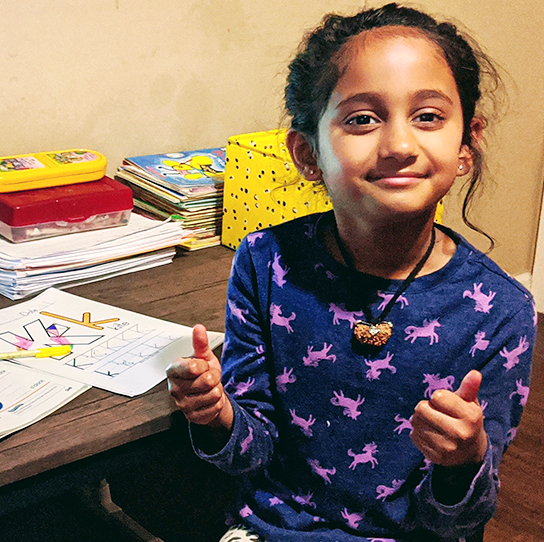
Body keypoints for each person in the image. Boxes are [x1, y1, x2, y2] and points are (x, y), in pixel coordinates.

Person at [166, 4, 535, 541]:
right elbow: (250, 451)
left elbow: (458, 518)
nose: (400, 146)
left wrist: (464, 459)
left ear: (466, 145)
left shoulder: (501, 310)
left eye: (428, 116)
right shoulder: (266, 262)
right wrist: (214, 413)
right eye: (362, 119)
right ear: (307, 153)